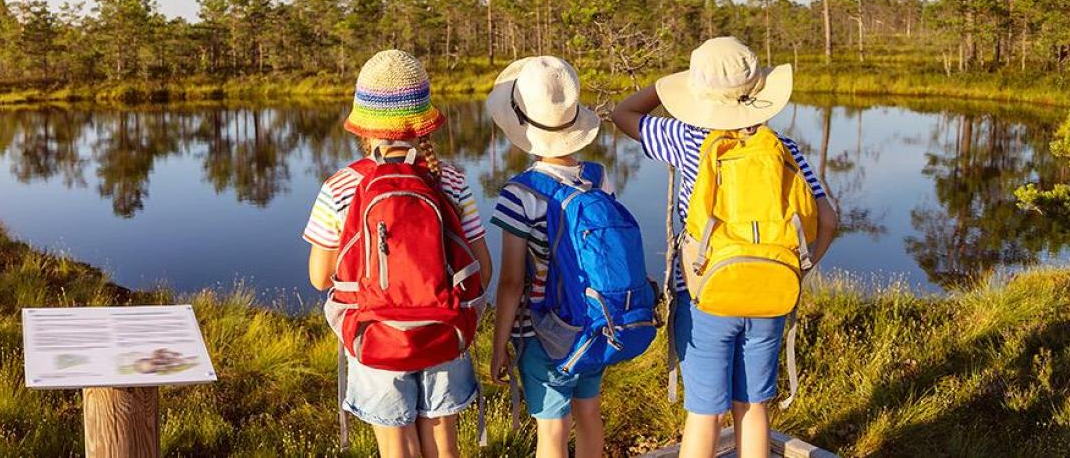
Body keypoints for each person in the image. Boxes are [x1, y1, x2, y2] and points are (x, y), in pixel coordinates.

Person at [610, 37, 839, 458]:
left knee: (704, 415)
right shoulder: (783, 147)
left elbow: (621, 113)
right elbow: (828, 219)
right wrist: (797, 268)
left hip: (705, 298)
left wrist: (666, 87)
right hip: (771, 292)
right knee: (752, 407)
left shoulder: (684, 138)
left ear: (698, 95)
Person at [305, 50, 492, 458]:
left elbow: (320, 278)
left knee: (397, 445)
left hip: (375, 335)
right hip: (445, 332)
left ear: (364, 126)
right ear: (423, 121)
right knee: (444, 443)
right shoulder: (452, 180)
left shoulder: (340, 186)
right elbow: (483, 271)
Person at [484, 56, 611, 458]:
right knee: (589, 414)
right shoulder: (597, 176)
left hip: (542, 333)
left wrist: (498, 343)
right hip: (593, 324)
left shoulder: (520, 193)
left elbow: (510, 282)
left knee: (552, 432)